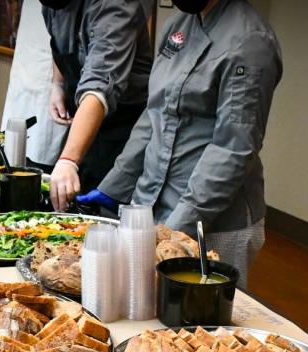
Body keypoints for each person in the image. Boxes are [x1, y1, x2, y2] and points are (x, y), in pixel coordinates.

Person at [81, 0, 281, 288]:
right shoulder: (178, 25)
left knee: (197, 322)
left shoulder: (250, 41)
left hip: (213, 221)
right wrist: (115, 186)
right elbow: (154, 116)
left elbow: (233, 148)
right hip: (151, 202)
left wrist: (177, 229)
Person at [39, 0, 153, 211]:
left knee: (107, 222)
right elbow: (57, 39)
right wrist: (57, 84)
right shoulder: (53, 5)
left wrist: (68, 160)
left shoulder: (114, 6)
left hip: (124, 132)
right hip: (86, 128)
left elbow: (99, 88)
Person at [0, 0, 68, 170]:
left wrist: (57, 84)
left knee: (44, 142)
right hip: (30, 45)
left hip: (53, 58)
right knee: (13, 151)